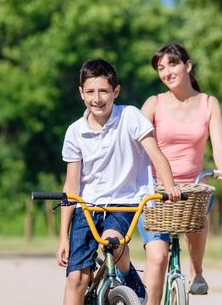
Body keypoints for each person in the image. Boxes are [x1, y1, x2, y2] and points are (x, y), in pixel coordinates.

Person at [56, 59, 180, 305]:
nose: (97, 98)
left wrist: (169, 187)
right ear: (81, 93)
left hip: (124, 203)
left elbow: (157, 155)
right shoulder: (75, 132)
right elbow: (71, 187)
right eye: (90, 92)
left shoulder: (130, 117)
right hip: (87, 207)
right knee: (76, 279)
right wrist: (63, 236)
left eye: (103, 91)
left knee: (113, 241)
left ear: (116, 91)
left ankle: (128, 279)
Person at [141, 43, 222, 296]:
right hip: (155, 190)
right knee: (157, 259)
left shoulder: (208, 103)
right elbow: (133, 140)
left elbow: (219, 146)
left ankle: (197, 270)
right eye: (161, 68)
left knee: (200, 205)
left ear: (188, 65)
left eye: (173, 64)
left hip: (190, 187)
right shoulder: (154, 103)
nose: (166, 72)